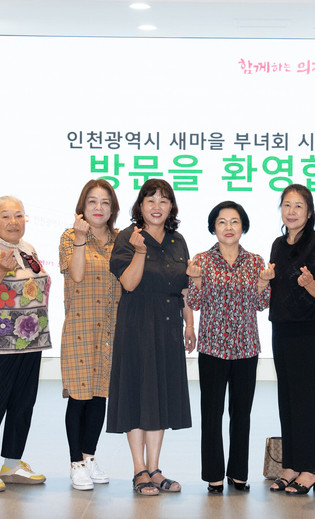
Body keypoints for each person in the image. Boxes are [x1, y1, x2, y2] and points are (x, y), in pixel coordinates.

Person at [107, 178, 195, 496]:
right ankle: (138, 469)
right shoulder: (127, 238)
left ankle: (155, 469)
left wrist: (189, 325)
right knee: (136, 393)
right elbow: (129, 283)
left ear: (171, 207)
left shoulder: (177, 240)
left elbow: (184, 288)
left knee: (159, 395)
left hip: (169, 326)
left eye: (164, 200)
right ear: (140, 206)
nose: (157, 206)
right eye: (151, 200)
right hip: (136, 324)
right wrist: (140, 252)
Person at [186, 201, 273, 493]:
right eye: (222, 222)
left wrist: (263, 284)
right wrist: (196, 280)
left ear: (243, 226)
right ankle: (214, 474)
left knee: (241, 413)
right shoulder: (202, 260)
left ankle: (238, 473)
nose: (228, 227)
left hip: (246, 347)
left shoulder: (256, 261)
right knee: (211, 413)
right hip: (212, 347)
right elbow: (195, 303)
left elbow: (261, 305)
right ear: (213, 227)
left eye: (234, 221)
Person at [0, 196, 52, 492]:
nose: (13, 222)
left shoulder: (28, 249)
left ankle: (12, 464)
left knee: (23, 404)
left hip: (31, 341)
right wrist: (0, 270)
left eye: (19, 215)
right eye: (6, 216)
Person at [267, 184, 315, 495]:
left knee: (305, 400)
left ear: (309, 212)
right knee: (287, 398)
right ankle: (290, 466)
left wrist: (309, 283)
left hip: (309, 331)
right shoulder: (277, 245)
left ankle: (310, 469)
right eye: (287, 205)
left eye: (298, 206)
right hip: (281, 329)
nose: (291, 212)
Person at [59, 179, 121, 490]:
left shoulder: (121, 240)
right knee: (79, 397)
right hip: (80, 328)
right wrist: (82, 239)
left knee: (99, 396)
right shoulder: (70, 237)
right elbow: (77, 274)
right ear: (82, 207)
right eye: (92, 201)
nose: (99, 208)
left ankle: (90, 456)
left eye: (105, 202)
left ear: (113, 208)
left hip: (110, 330)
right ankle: (76, 463)